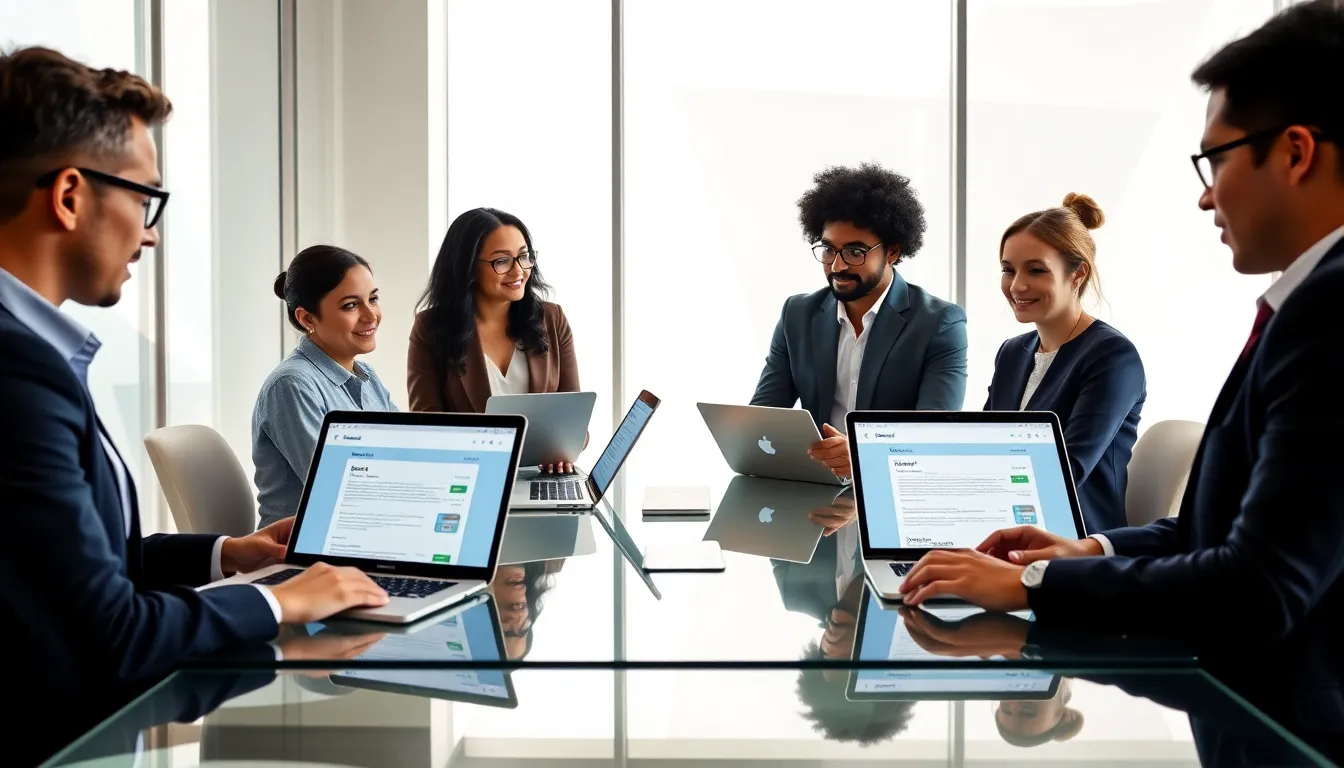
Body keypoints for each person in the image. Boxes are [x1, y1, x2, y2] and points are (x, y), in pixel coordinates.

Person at [897, 1, 1344, 757]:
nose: (1206, 195)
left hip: (1289, 728)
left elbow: (1260, 587)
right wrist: (1087, 553)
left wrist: (1035, 586)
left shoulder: (1329, 310)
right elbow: (1218, 531)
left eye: (1217, 161)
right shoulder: (1306, 301)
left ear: (1295, 152)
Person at [0, 46, 388, 705]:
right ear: (69, 196)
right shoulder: (19, 376)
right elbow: (110, 634)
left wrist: (228, 555)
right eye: (146, 199)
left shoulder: (35, 356)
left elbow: (80, 569)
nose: (150, 236)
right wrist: (277, 603)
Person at [751, 163, 968, 480]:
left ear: (892, 252)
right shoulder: (798, 314)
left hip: (895, 489)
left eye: (855, 251)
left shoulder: (939, 323)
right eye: (828, 249)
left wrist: (864, 454)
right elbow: (764, 418)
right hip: (816, 489)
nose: (837, 265)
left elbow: (935, 435)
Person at [985, 194, 1145, 533]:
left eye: (1036, 270)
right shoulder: (1012, 353)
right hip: (1004, 528)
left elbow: (1066, 469)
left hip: (1075, 543)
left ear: (1077, 274)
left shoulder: (1113, 357)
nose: (1016, 285)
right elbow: (982, 445)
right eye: (1008, 270)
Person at [408, 207, 580, 473]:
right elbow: (426, 425)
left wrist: (563, 450)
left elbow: (575, 421)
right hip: (466, 475)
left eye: (524, 257)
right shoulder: (431, 327)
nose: (519, 271)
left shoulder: (552, 319)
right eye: (501, 261)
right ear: (466, 267)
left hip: (539, 475)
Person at [252, 245, 397, 528]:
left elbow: (406, 455)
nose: (371, 315)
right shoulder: (292, 385)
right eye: (351, 305)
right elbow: (340, 490)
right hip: (304, 552)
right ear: (307, 318)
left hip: (367, 533)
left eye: (373, 298)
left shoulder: (367, 376)